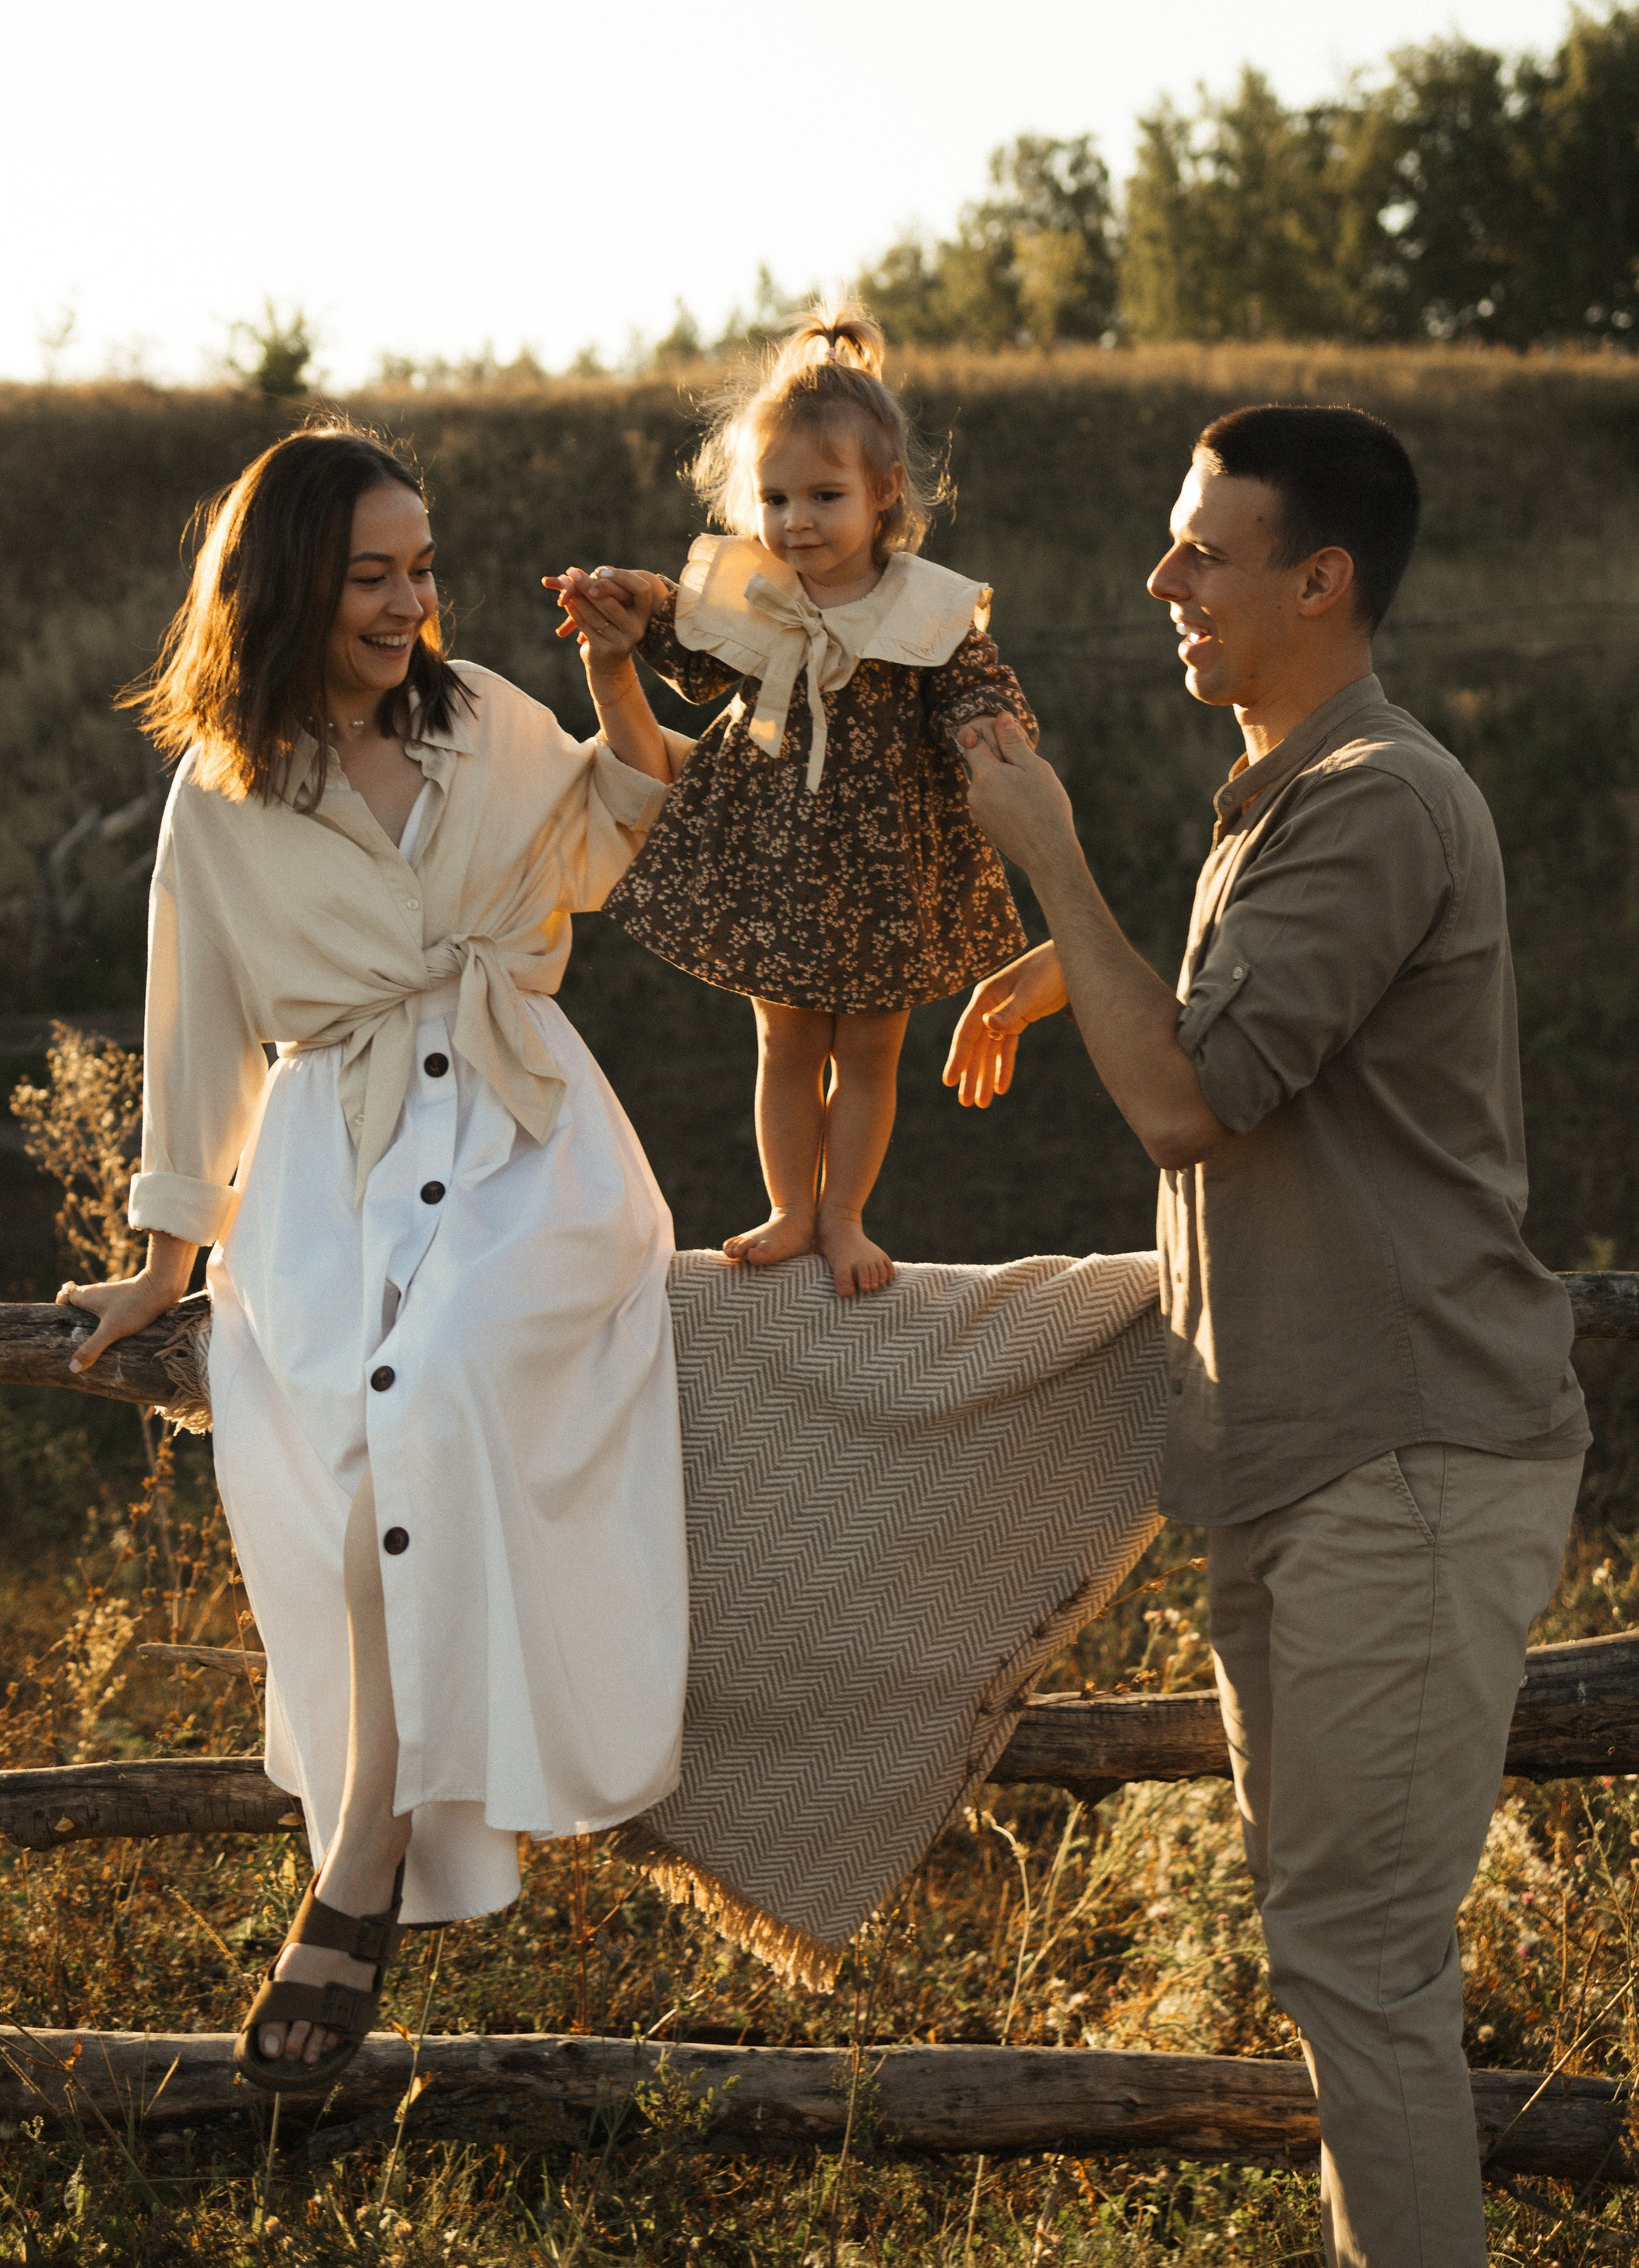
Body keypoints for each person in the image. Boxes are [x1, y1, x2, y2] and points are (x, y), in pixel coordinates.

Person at [944, 402, 1588, 2268]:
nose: (1158, 580)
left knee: (1359, 1968)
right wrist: (1102, 947)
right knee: (1340, 1969)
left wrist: (1054, 864)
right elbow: (1247, 1037)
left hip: (1400, 1466)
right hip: (1304, 1467)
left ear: (1320, 580)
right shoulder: (1283, 806)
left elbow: (1186, 1103)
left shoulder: (1373, 795)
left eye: (1200, 551)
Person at [60, 422, 689, 2095]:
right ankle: (385, 1832)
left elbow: (618, 829)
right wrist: (163, 1256)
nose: (412, 600)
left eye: (422, 567)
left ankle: (353, 1870)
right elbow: (192, 1035)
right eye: (372, 574)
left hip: (520, 1144)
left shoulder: (484, 714)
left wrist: (618, 683)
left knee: (444, 1378)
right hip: (330, 1174)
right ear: (284, 590)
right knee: (344, 1442)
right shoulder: (221, 796)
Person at [562, 308, 1034, 1296]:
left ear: (885, 494)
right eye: (775, 499)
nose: (797, 523)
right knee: (782, 1039)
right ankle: (787, 1207)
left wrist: (994, 730)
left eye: (824, 496)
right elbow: (690, 652)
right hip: (771, 848)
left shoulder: (925, 608)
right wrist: (636, 601)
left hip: (884, 862)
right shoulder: (760, 589)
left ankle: (845, 1218)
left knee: (868, 1049)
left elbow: (973, 682)